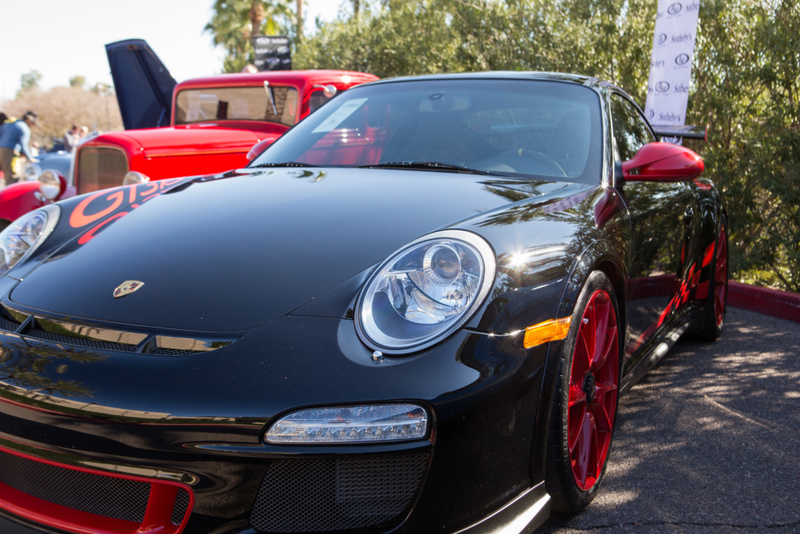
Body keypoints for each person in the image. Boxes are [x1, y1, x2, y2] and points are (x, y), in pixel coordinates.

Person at [0, 111, 38, 186]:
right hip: (10, 152)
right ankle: (10, 197)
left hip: (1, 151)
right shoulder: (24, 127)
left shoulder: (9, 124)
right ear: (29, 119)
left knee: (7, 176)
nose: (32, 125)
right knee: (13, 177)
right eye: (33, 123)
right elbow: (24, 145)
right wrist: (30, 157)